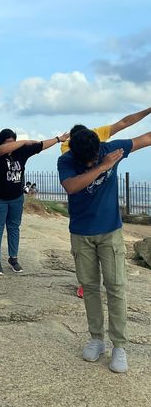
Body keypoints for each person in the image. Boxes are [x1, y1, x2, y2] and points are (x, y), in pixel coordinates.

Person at [58, 128, 151, 373]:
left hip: (110, 232)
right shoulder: (65, 160)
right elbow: (71, 186)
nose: (90, 162)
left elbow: (147, 138)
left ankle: (119, 346)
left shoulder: (110, 148)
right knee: (89, 287)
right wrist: (101, 167)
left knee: (116, 287)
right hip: (81, 233)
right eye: (85, 161)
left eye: (94, 159)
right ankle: (97, 339)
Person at [61, 106, 151, 299]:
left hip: (108, 223)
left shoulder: (103, 142)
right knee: (88, 267)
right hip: (82, 218)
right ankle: (86, 284)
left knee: (114, 279)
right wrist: (102, 167)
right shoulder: (66, 152)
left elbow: (125, 123)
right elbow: (71, 185)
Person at [0, 129, 68, 275]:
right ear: (2, 141)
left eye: (14, 142)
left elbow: (41, 145)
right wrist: (23, 141)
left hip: (16, 197)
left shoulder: (21, 151)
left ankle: (13, 258)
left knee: (14, 227)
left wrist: (58, 139)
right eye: (8, 142)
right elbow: (1, 150)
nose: (12, 145)